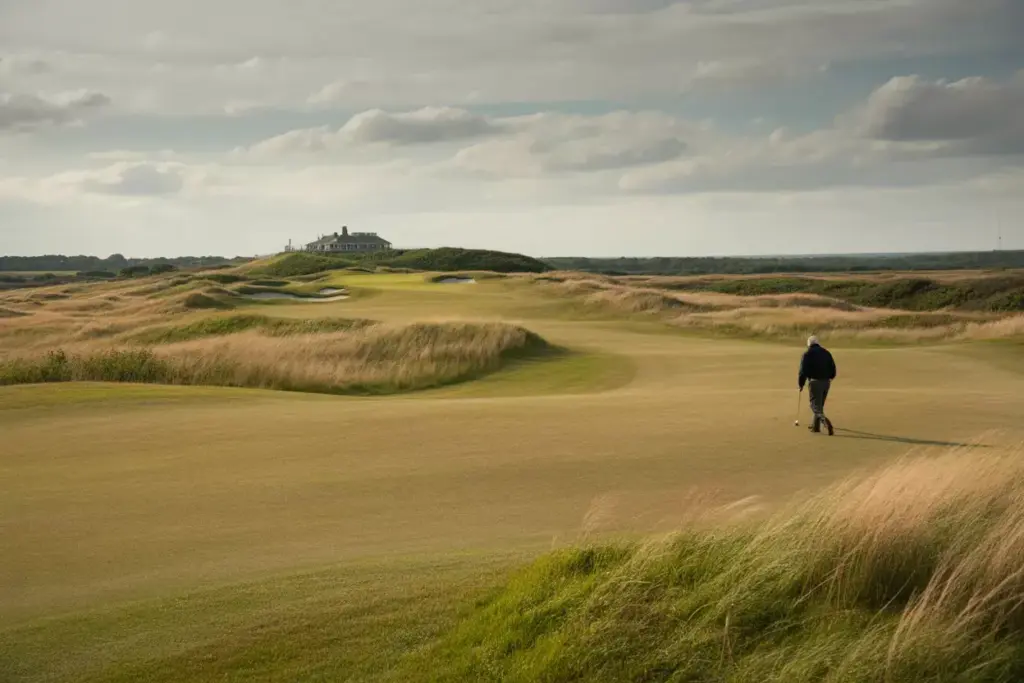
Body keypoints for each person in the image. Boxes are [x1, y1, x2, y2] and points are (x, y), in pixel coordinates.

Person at [799, 335, 837, 435]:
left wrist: (801, 384)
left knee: (814, 406)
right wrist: (831, 377)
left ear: (809, 344)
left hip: (815, 382)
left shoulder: (807, 354)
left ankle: (824, 421)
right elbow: (833, 367)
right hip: (826, 382)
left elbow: (803, 371)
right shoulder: (826, 353)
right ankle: (815, 427)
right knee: (819, 405)